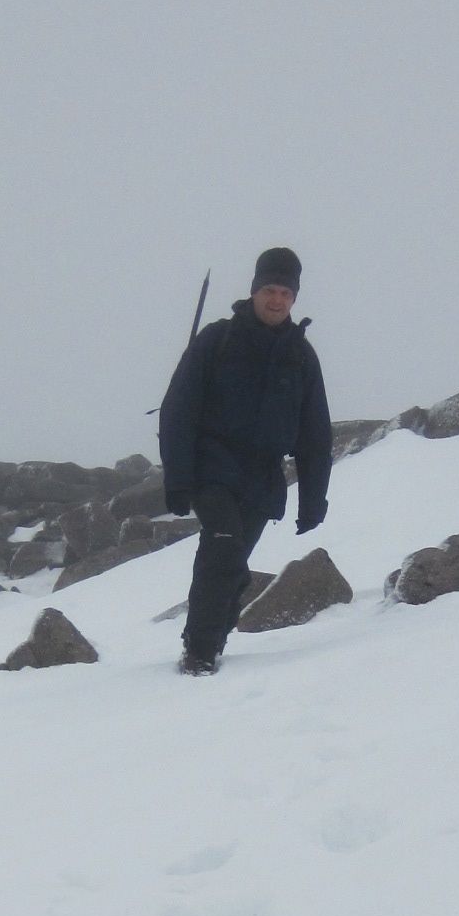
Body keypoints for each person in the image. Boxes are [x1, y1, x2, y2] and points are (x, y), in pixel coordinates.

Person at [158, 246, 332, 674]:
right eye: (270, 290)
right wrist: (178, 480)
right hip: (212, 466)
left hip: (263, 477)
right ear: (254, 291)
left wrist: (313, 500)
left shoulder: (301, 357)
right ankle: (199, 651)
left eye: (286, 293)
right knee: (223, 546)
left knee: (233, 563)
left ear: (294, 298)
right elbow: (178, 409)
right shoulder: (217, 340)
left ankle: (212, 641)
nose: (277, 300)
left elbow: (314, 435)